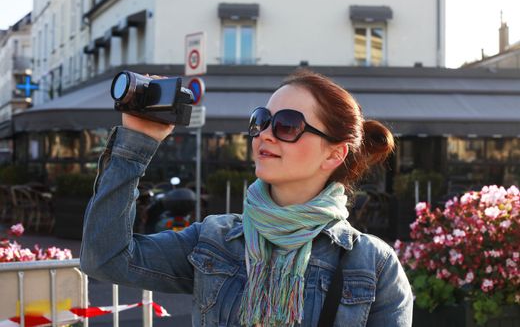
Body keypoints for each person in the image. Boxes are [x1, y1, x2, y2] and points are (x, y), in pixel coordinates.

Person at [80, 70, 413, 327]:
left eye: (287, 125)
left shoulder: (372, 264)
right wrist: (136, 143)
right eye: (261, 121)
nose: (265, 134)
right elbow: (106, 258)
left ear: (334, 154)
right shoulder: (215, 240)